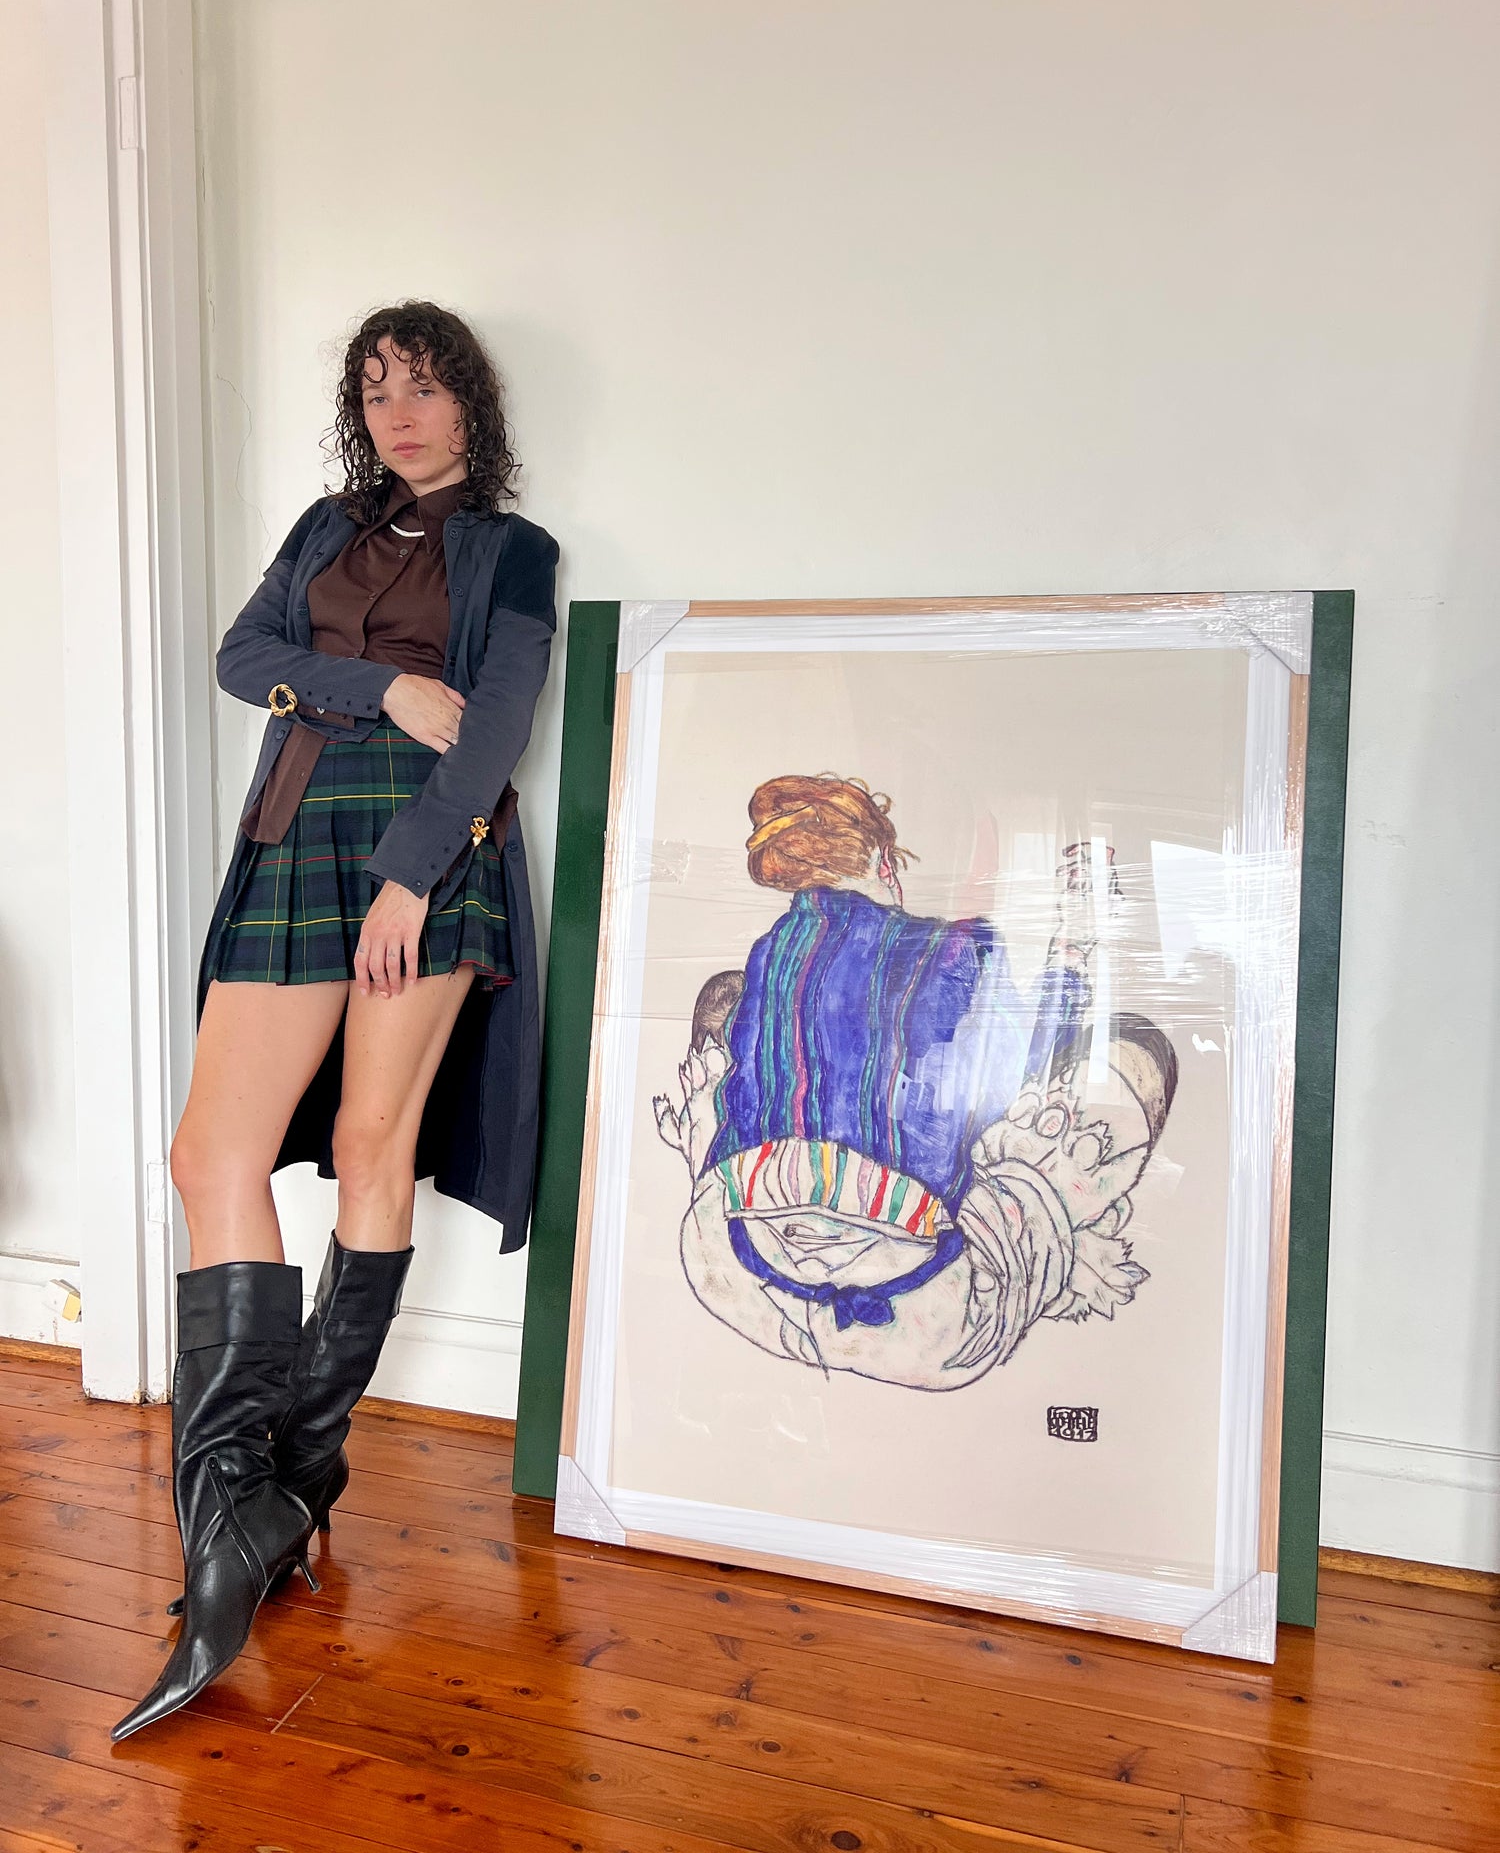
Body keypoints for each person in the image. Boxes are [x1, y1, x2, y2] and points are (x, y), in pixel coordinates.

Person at [112, 303, 558, 1742]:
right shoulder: (322, 530)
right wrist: (387, 687)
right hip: (296, 833)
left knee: (373, 1144)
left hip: (427, 851)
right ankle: (238, 1507)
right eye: (374, 392)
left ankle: (297, 1476)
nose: (398, 413)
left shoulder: (515, 552)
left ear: (469, 403)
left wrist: (412, 877)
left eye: (423, 386)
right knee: (210, 1155)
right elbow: (245, 657)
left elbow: (497, 725)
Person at [655, 775, 1176, 1388]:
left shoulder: (770, 951)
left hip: (737, 1268)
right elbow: (1022, 1071)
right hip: (928, 1306)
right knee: (1135, 1051)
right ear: (883, 862)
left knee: (727, 1002)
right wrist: (1071, 957)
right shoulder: (957, 950)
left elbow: (745, 1098)